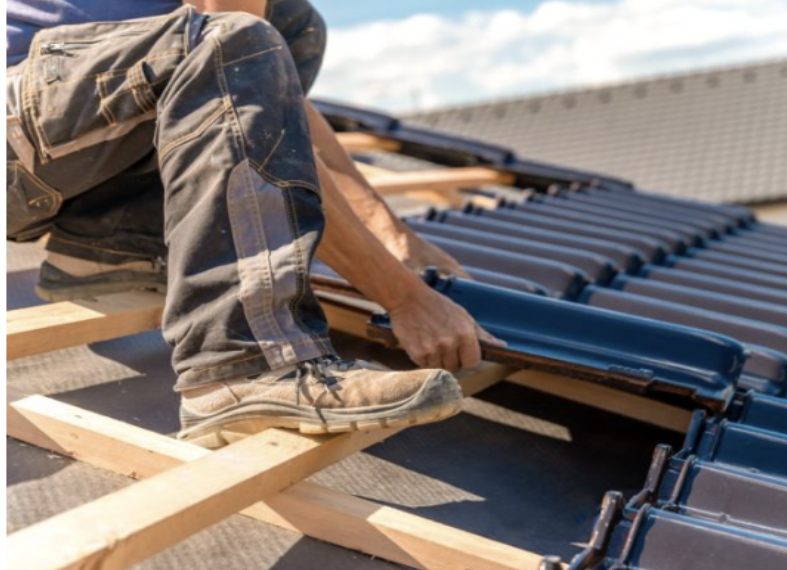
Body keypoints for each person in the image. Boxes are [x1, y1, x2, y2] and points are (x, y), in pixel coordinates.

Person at [6, 0, 504, 449]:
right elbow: (236, 67)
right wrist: (404, 298)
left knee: (292, 27)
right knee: (241, 40)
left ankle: (108, 244)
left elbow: (265, 92)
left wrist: (393, 235)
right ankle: (241, 363)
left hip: (58, 132)